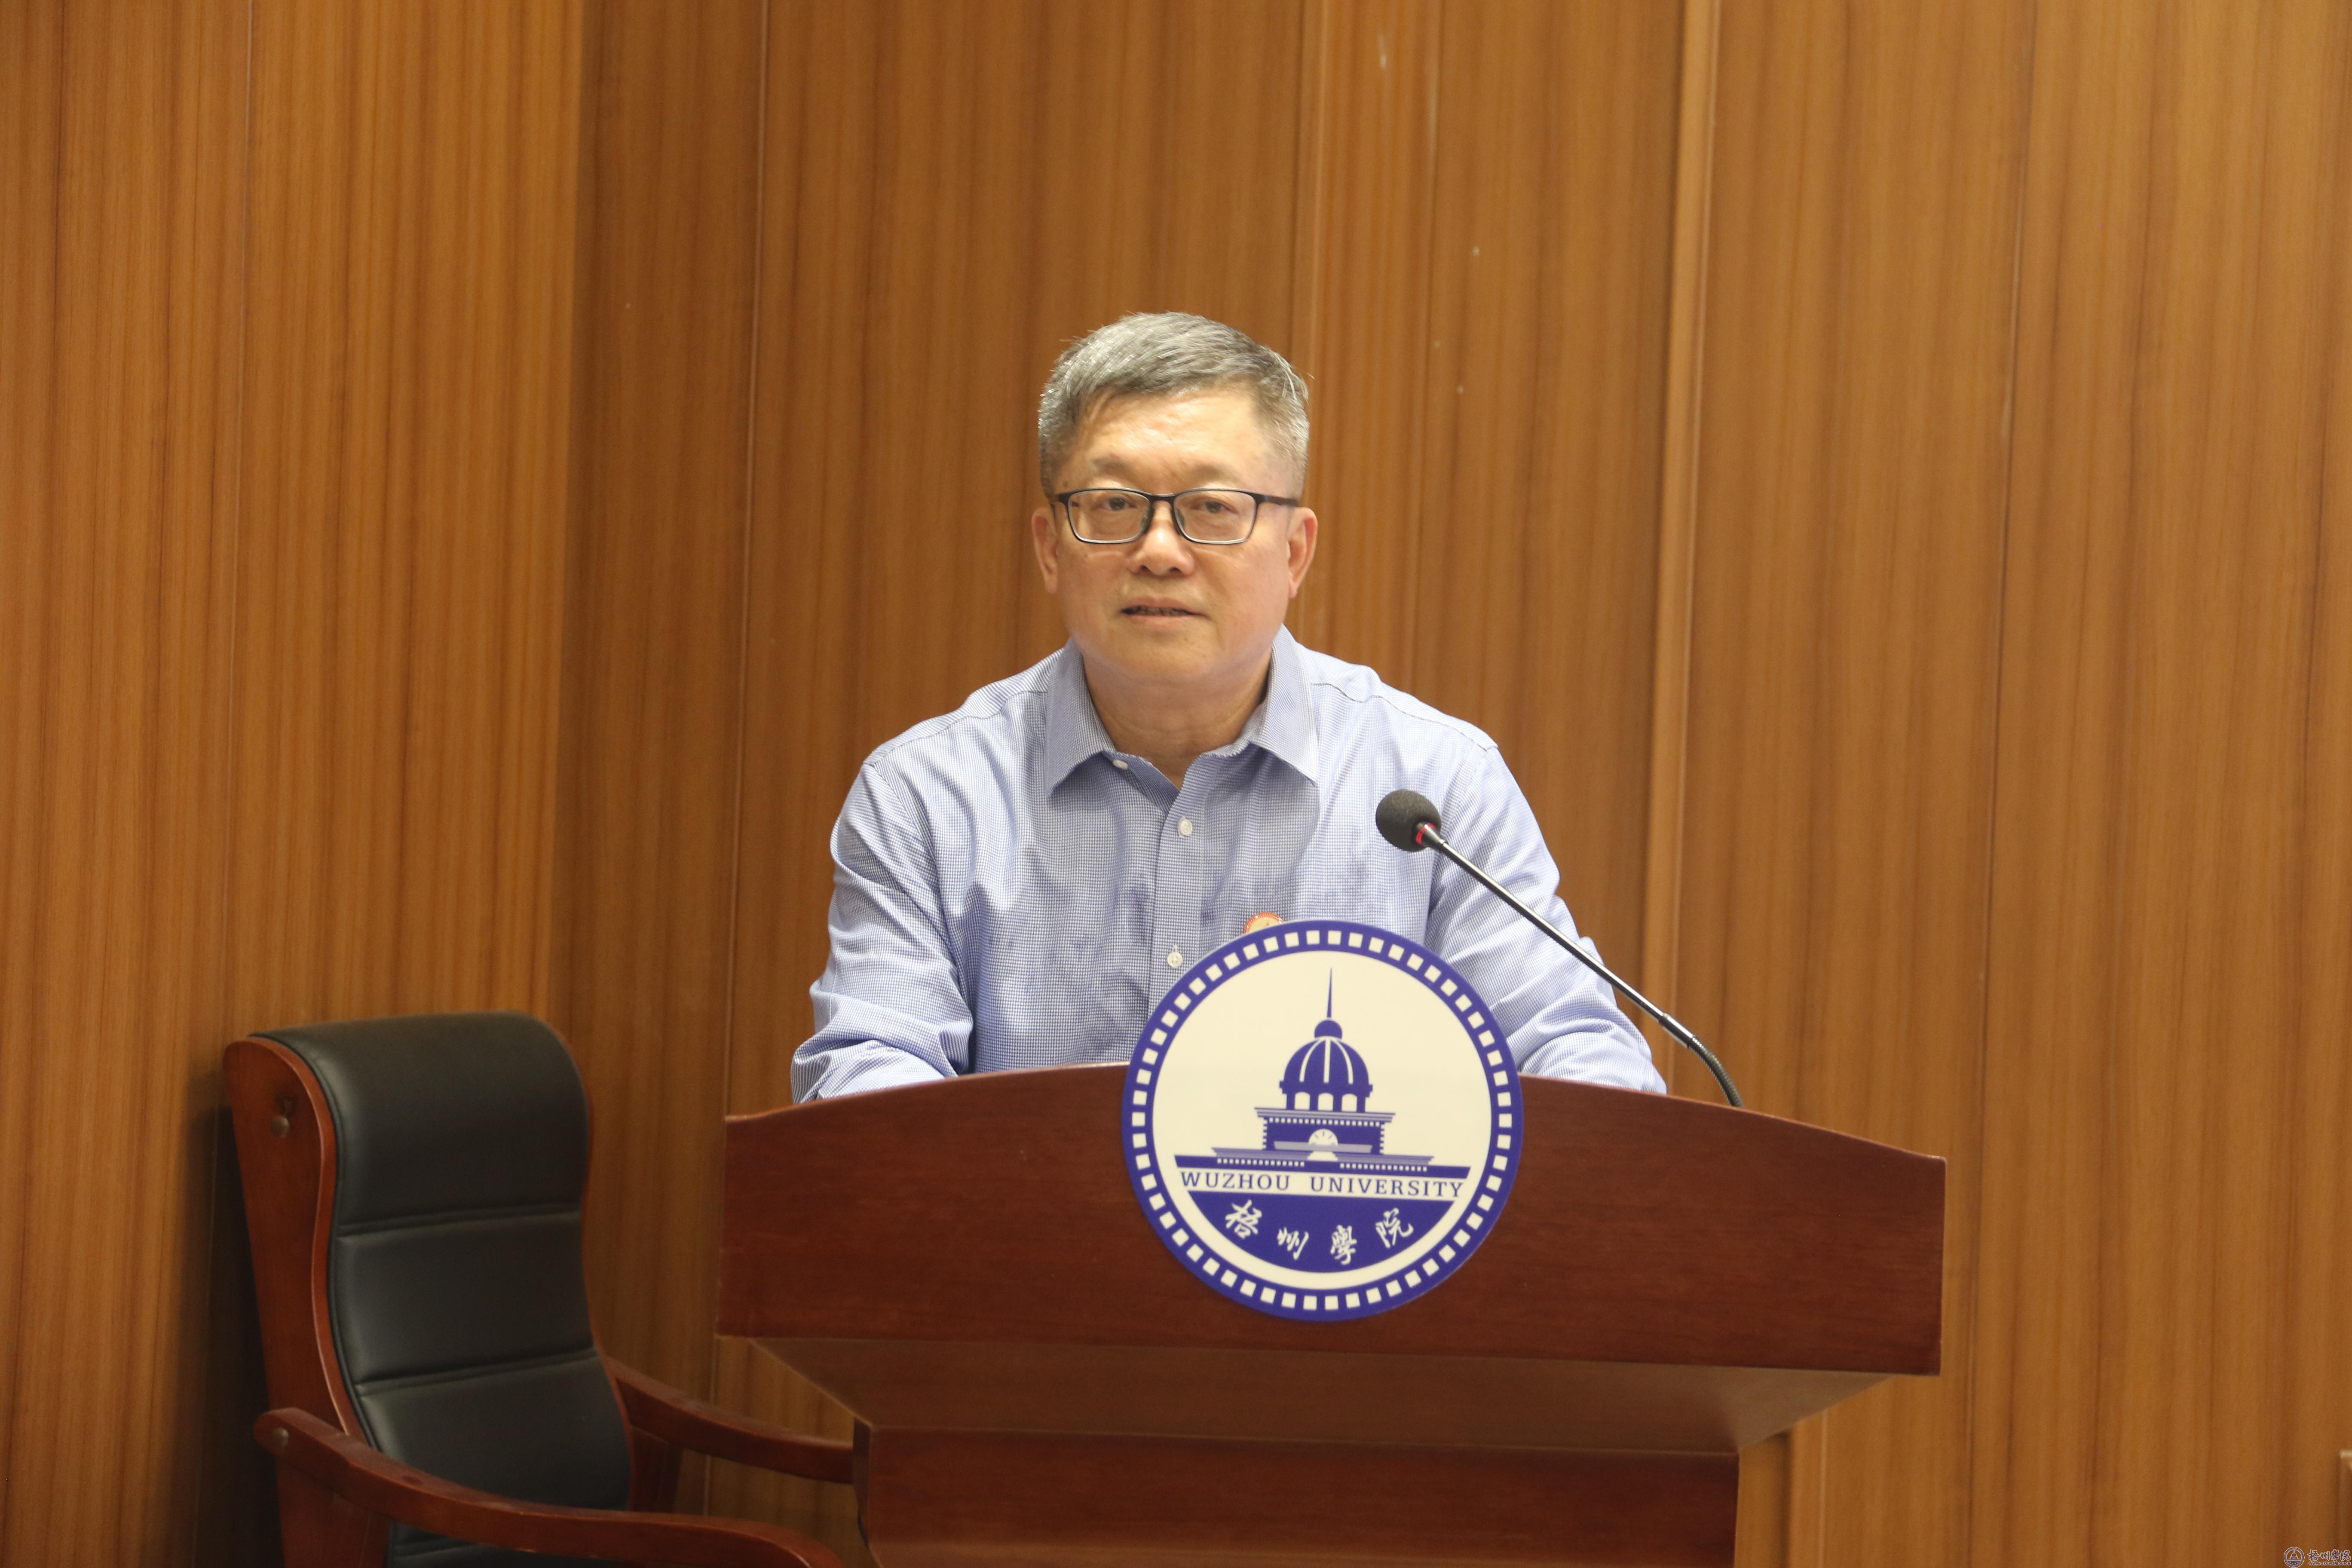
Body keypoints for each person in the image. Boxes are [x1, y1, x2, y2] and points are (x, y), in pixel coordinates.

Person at [791, 312, 1666, 1102]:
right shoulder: (929, 795)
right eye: (1113, 506)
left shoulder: (1434, 784)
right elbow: (869, 1079)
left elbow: (1576, 1052)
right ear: (1051, 548)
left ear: (1295, 552)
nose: (1160, 551)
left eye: (1212, 508)